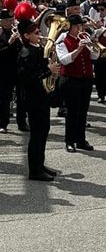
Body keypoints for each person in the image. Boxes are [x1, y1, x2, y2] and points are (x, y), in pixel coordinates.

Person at [17, 19, 59, 180]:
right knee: (37, 134)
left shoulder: (37, 49)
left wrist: (51, 65)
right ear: (26, 36)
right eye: (35, 33)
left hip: (41, 96)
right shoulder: (26, 52)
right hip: (33, 98)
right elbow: (27, 78)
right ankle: (34, 170)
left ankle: (39, 164)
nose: (39, 34)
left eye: (39, 31)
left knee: (43, 131)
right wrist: (48, 70)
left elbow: (41, 68)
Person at [55, 14, 99, 153]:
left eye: (81, 25)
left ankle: (81, 140)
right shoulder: (62, 41)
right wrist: (79, 49)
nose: (80, 28)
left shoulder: (84, 38)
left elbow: (95, 56)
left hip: (86, 79)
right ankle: (69, 141)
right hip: (70, 80)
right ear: (69, 27)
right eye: (77, 26)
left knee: (83, 112)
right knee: (72, 112)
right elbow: (64, 60)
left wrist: (94, 45)